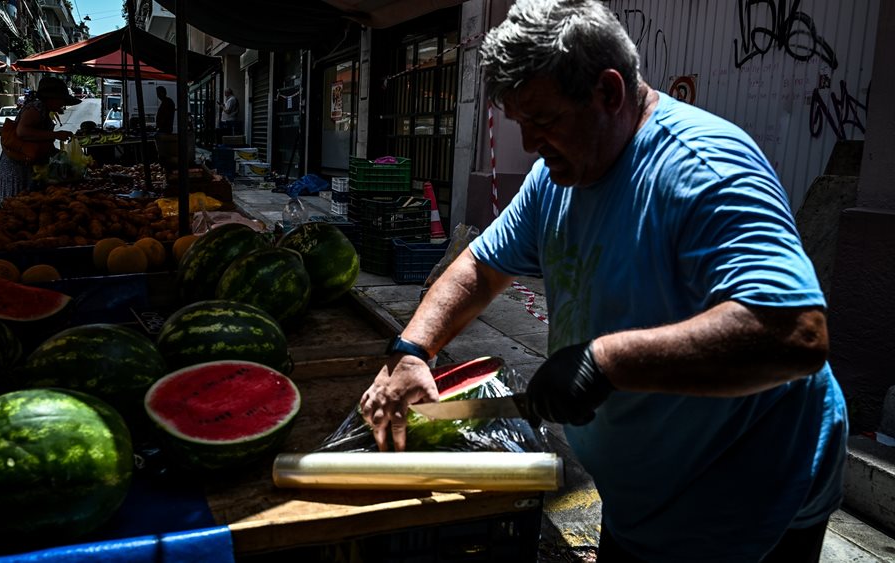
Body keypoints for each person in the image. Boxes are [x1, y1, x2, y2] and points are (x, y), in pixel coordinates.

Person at [358, 1, 847, 561]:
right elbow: (480, 266)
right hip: (640, 502)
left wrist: (605, 361)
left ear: (609, 93)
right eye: (520, 125)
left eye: (543, 122)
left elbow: (793, 334)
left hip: (744, 507)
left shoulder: (704, 169)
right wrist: (413, 349)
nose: (530, 145)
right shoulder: (557, 177)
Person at [0, 77, 78, 212]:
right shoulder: (36, 108)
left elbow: (39, 139)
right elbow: (22, 132)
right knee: (14, 207)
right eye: (61, 100)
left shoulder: (43, 110)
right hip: (17, 166)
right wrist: (56, 135)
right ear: (51, 98)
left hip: (27, 164)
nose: (63, 104)